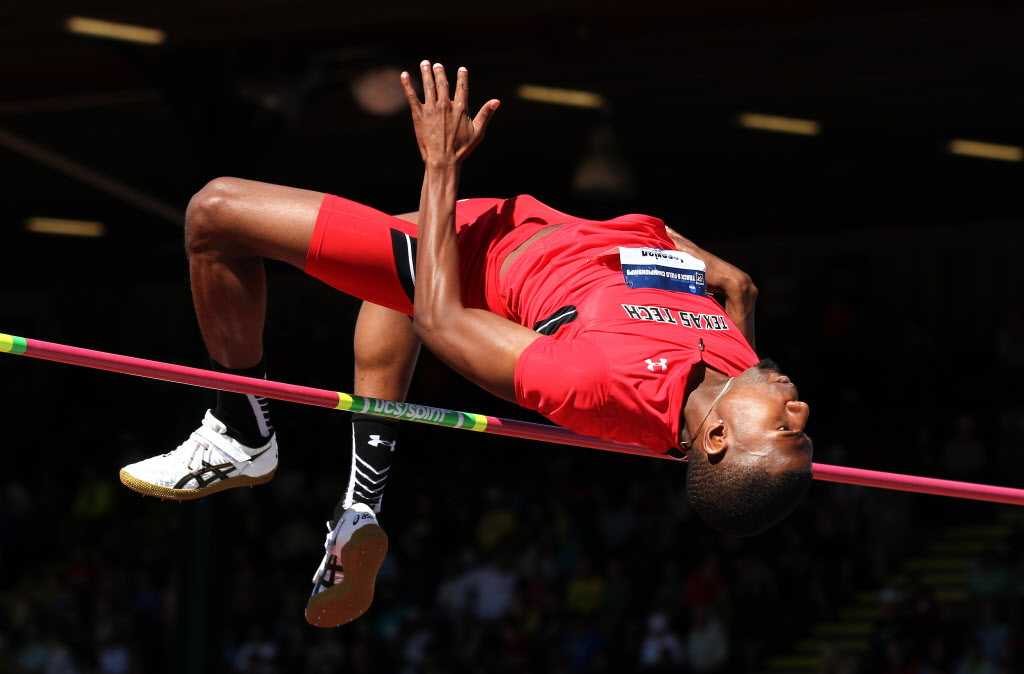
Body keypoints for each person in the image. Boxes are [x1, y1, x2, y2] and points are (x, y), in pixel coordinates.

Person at [119, 62, 813, 627]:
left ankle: (241, 429)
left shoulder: (598, 385)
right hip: (525, 227)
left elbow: (438, 317)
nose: (801, 413)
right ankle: (360, 503)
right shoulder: (740, 366)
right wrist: (705, 270)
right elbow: (737, 291)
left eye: (784, 432)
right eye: (800, 430)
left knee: (216, 213)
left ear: (718, 437)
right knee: (382, 274)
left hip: (474, 262)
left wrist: (440, 165)